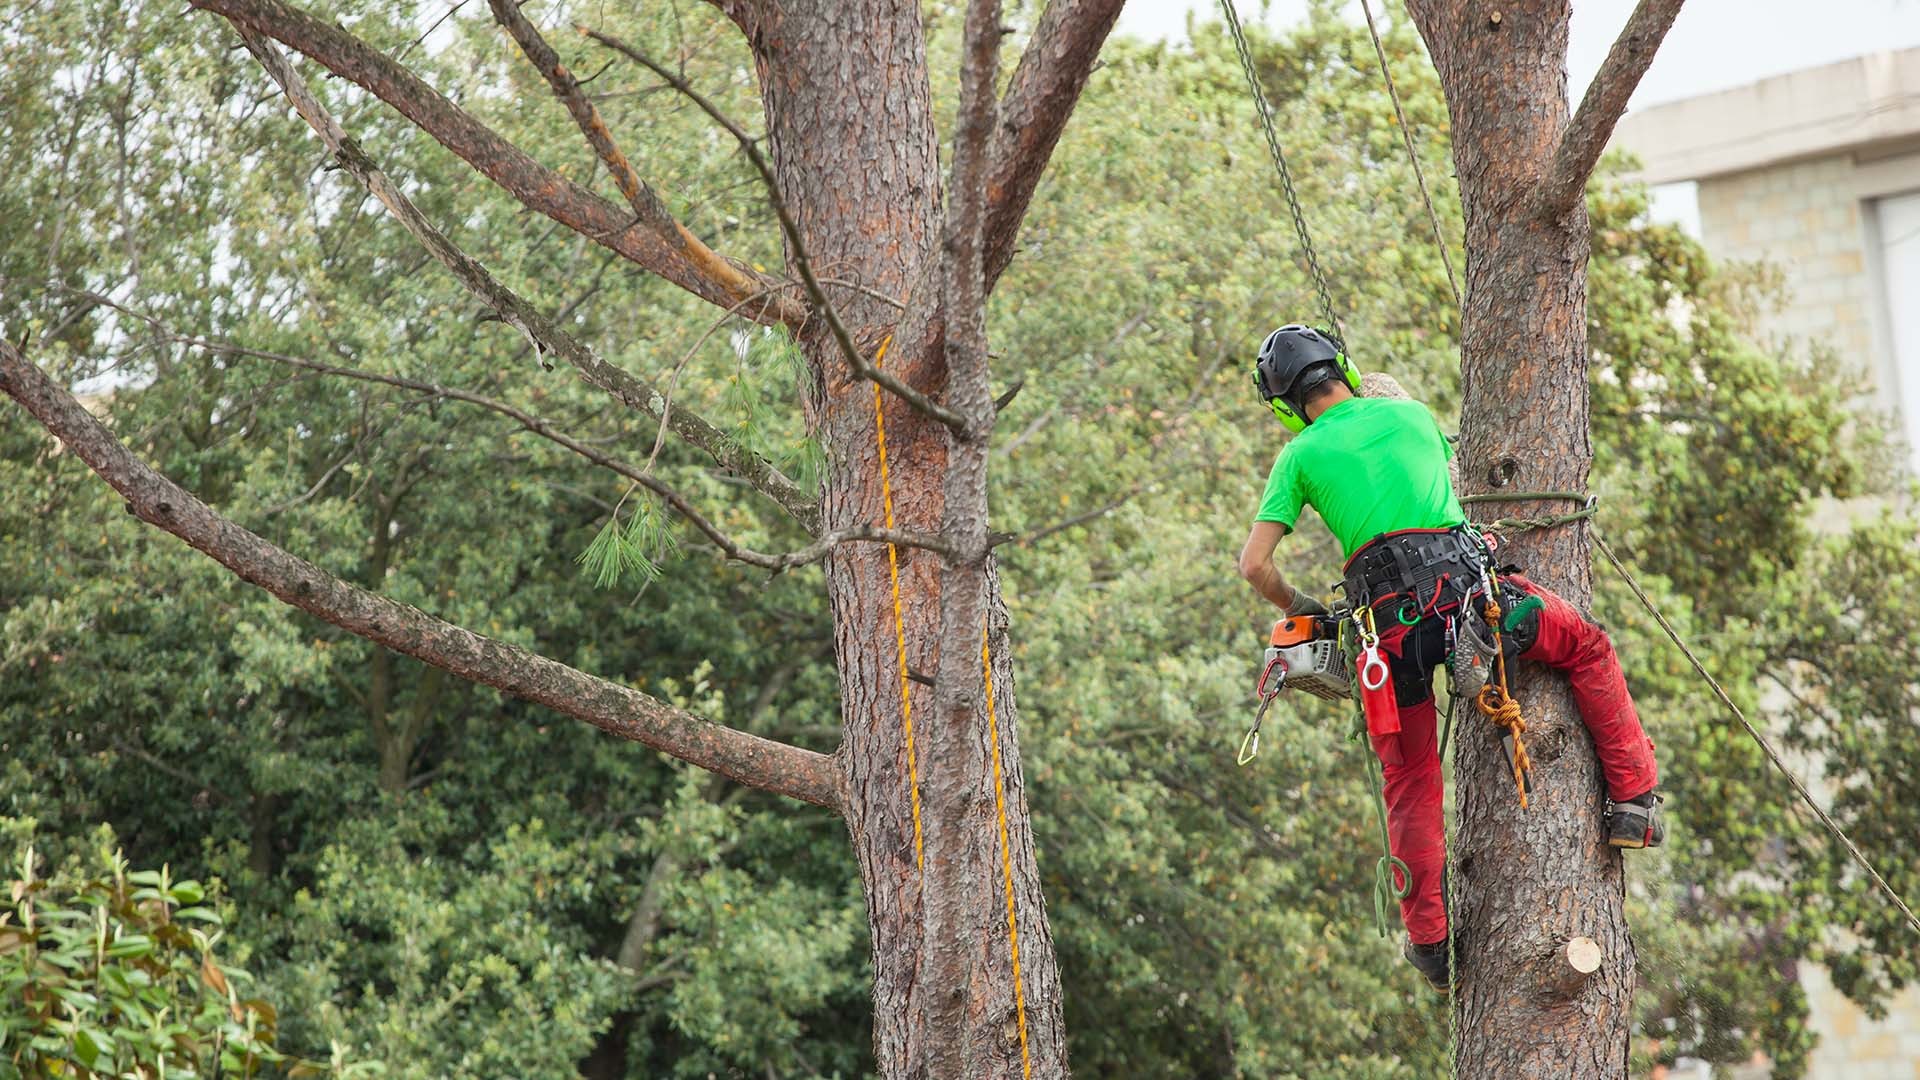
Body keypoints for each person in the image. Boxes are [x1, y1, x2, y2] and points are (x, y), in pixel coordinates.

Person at [1235, 324, 1663, 993]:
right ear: (1343, 368)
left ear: (1286, 404)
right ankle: (1633, 802)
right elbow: (1439, 494)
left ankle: (1431, 945)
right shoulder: (1410, 413)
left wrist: (1308, 606)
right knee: (1585, 645)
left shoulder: (1298, 456)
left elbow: (1253, 564)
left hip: (1386, 631)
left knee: (1409, 776)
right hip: (1471, 593)